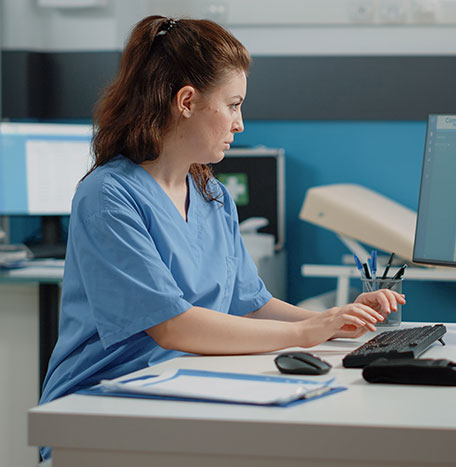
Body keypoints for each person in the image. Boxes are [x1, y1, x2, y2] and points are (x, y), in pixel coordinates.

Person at [39, 15, 404, 458]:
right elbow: (173, 326)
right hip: (101, 405)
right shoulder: (107, 197)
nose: (240, 123)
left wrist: (337, 320)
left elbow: (251, 305)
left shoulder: (212, 196)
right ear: (187, 101)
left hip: (184, 391)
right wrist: (309, 331)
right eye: (233, 105)